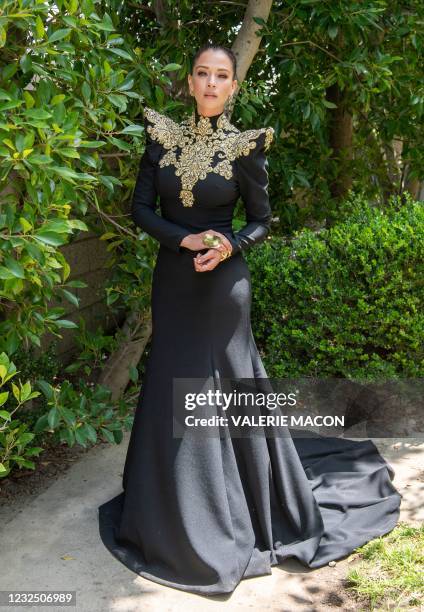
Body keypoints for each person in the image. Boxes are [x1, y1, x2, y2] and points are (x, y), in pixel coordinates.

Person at [98, 43, 402, 595]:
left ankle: (239, 512)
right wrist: (182, 237)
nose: (211, 84)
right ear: (189, 82)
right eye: (202, 74)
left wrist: (228, 244)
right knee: (171, 381)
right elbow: (141, 210)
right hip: (173, 283)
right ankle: (172, 511)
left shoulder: (246, 148)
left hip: (223, 288)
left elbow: (262, 220)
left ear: (232, 87)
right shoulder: (160, 141)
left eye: (222, 76)